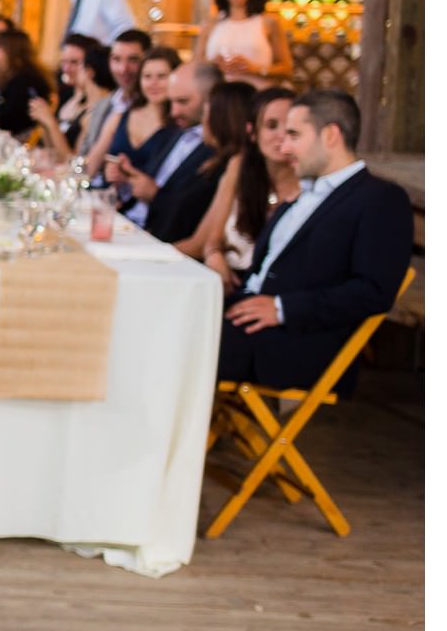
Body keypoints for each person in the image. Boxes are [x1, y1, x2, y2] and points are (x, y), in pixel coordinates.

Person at [220, 90, 411, 392]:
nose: (284, 146)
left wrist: (283, 308)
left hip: (294, 343)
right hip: (246, 317)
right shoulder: (305, 194)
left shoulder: (380, 199)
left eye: (294, 135)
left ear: (331, 134)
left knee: (177, 342)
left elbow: (373, 291)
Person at [175, 87, 298, 289]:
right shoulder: (239, 167)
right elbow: (210, 241)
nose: (282, 136)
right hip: (226, 281)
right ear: (252, 132)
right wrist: (215, 257)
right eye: (271, 125)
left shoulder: (309, 183)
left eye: (291, 128)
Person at [114, 61, 225, 242]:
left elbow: (193, 213)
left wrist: (155, 196)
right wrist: (127, 178)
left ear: (211, 100)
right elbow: (147, 184)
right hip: (129, 225)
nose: (173, 111)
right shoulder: (173, 131)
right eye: (171, 101)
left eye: (183, 101)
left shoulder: (218, 149)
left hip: (161, 240)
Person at [84, 46, 181, 188]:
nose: (153, 83)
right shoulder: (120, 116)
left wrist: (127, 179)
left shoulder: (179, 127)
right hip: (104, 198)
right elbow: (90, 167)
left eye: (161, 76)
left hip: (143, 207)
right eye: (147, 76)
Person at [196, 0, 294, 87]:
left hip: (256, 93)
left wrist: (256, 69)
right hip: (219, 96)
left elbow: (286, 68)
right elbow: (196, 63)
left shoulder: (269, 23)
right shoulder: (211, 24)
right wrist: (214, 64)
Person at [29, 33, 114, 159]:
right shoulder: (67, 96)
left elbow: (73, 160)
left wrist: (50, 123)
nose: (67, 68)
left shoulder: (98, 109)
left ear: (90, 69)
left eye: (75, 62)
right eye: (64, 62)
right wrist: (45, 123)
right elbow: (53, 150)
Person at [82, 27, 151, 156]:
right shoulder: (101, 105)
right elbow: (83, 158)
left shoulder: (153, 110)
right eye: (116, 59)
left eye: (133, 60)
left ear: (148, 62)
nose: (123, 69)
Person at [0, 29, 55, 137]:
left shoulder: (23, 80)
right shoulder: (20, 75)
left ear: (8, 51)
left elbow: (10, 120)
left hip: (22, 140)